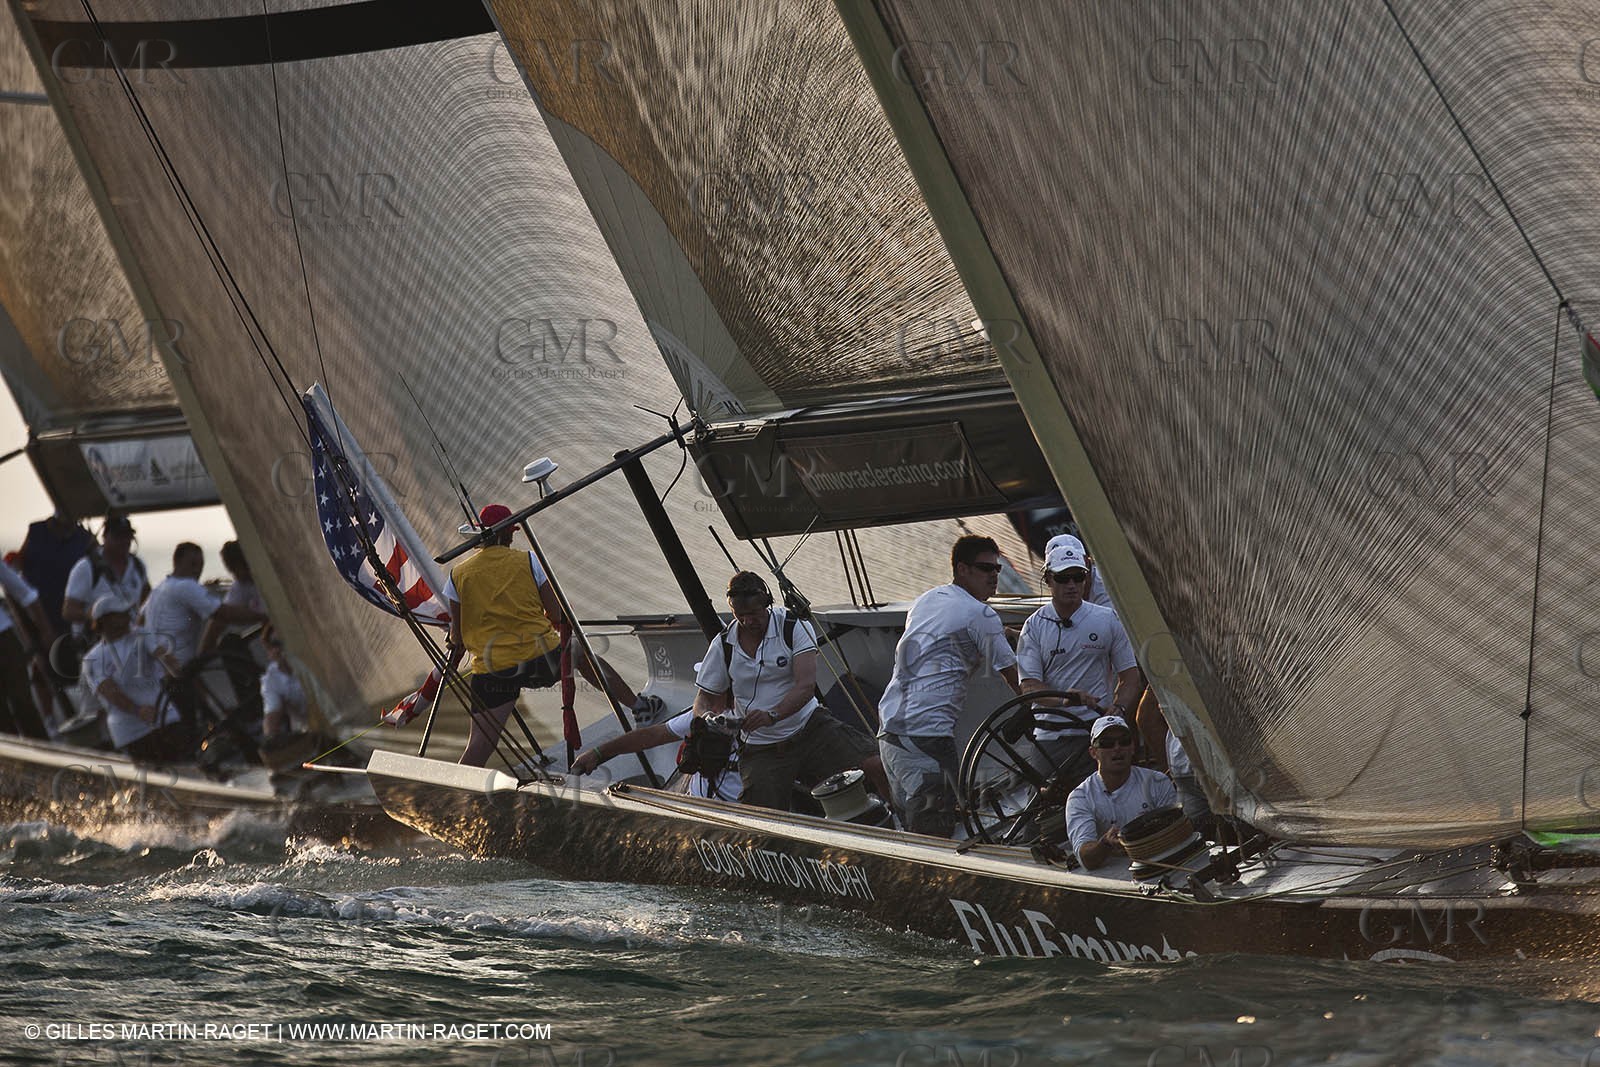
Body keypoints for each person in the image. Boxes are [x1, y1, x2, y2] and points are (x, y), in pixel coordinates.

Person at [446, 503, 656, 767]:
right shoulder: (528, 560)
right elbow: (556, 615)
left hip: (491, 671)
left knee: (478, 745)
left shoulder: (456, 575)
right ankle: (640, 707)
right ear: (510, 533)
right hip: (538, 660)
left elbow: (457, 638)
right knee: (578, 649)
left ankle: (456, 793)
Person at [693, 571, 879, 811]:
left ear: (767, 604)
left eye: (754, 614)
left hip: (811, 728)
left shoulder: (793, 627)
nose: (749, 621)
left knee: (875, 765)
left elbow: (805, 686)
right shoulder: (723, 644)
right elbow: (704, 698)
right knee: (760, 814)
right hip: (761, 747)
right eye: (741, 616)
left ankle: (905, 827)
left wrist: (772, 715)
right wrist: (707, 718)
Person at [876, 535, 1021, 837]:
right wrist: (1048, 708)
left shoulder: (928, 600)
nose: (994, 576)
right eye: (985, 569)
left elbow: (946, 638)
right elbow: (1015, 678)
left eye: (998, 570)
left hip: (891, 732)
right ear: (962, 569)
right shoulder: (981, 615)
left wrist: (1009, 632)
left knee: (911, 831)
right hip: (927, 738)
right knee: (934, 836)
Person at [1017, 537, 1143, 792]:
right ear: (1049, 580)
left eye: (1078, 577)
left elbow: (1130, 677)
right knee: (1044, 818)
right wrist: (1064, 700)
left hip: (1096, 737)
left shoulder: (1107, 619)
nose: (1072, 584)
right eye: (1063, 578)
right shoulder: (1033, 626)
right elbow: (1029, 687)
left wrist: (1118, 709)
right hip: (1050, 737)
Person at [79, 594, 190, 762]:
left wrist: (175, 669)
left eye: (127, 612)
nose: (127, 616)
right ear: (105, 621)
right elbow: (110, 692)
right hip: (133, 733)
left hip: (167, 718)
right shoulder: (92, 659)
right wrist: (137, 710)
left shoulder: (142, 634)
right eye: (120, 613)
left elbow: (163, 656)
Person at [1065, 715, 1178, 870]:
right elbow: (1086, 859)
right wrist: (1105, 843)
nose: (1117, 748)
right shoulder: (1079, 798)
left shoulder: (1158, 782)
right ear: (1093, 752)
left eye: (1124, 741)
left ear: (1132, 748)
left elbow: (1174, 836)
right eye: (1107, 744)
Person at [572, 709, 743, 801]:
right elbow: (653, 735)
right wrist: (598, 753)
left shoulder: (759, 722)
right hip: (696, 807)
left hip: (740, 815)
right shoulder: (703, 714)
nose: (703, 692)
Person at [141, 543, 265, 669]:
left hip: (158, 666)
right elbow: (223, 615)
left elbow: (139, 622)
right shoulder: (186, 586)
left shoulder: (159, 589)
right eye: (192, 564)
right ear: (177, 563)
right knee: (230, 643)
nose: (197, 571)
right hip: (177, 667)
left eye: (200, 566)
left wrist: (201, 660)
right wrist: (265, 617)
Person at [61, 513, 150, 629]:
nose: (124, 541)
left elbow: (147, 601)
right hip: (93, 640)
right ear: (105, 537)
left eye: (128, 536)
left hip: (130, 640)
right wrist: (97, 616)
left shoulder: (138, 566)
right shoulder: (86, 567)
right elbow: (68, 611)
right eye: (118, 536)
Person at [0, 557, 55, 738]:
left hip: (4, 639)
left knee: (22, 702)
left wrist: (45, 630)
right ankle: (12, 762)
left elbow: (24, 593)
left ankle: (42, 753)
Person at [19, 509, 93, 638]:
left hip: (68, 619)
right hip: (35, 617)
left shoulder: (85, 539)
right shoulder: (36, 531)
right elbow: (18, 566)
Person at [199, 540, 267, 654]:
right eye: (230, 570)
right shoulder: (242, 584)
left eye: (235, 568)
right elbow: (222, 618)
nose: (234, 574)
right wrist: (202, 657)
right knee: (230, 641)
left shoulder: (268, 577)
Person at [259, 630, 305, 739]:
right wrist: (271, 738)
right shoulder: (271, 681)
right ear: (269, 653)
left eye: (282, 643)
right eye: (274, 646)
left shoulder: (312, 659)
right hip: (313, 731)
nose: (279, 650)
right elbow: (272, 716)